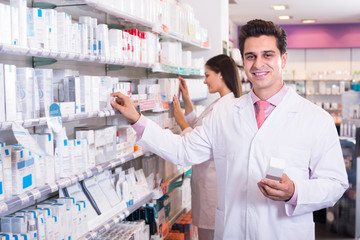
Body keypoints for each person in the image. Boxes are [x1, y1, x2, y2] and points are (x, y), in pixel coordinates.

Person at [110, 19, 348, 240]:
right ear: (243, 62)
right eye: (250, 56)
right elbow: (183, 151)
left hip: (284, 232)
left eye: (268, 55)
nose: (258, 64)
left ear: (283, 59)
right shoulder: (224, 113)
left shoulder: (315, 118)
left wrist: (295, 191)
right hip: (233, 231)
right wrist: (137, 119)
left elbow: (335, 184)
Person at [172, 54, 242, 240]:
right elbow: (198, 126)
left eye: (207, 75)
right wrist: (187, 99)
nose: (204, 81)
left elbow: (199, 143)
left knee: (210, 235)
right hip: (208, 182)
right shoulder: (222, 102)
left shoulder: (225, 108)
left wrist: (180, 120)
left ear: (221, 75)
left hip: (212, 186)